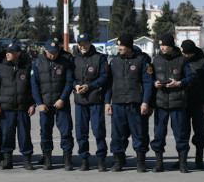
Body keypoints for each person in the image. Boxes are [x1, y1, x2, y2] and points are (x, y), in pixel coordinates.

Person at [104, 34, 153, 172]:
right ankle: (118, 161)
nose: (119, 48)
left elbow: (148, 83)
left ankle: (140, 162)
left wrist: (145, 102)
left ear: (129, 46)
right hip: (118, 103)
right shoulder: (114, 62)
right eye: (118, 45)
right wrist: (107, 102)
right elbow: (109, 84)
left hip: (135, 103)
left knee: (140, 133)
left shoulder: (142, 60)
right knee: (117, 134)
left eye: (122, 45)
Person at [150, 34, 197, 173]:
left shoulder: (183, 60)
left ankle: (183, 163)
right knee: (158, 134)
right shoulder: (156, 60)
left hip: (178, 103)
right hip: (161, 103)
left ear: (171, 45)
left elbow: (193, 77)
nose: (162, 47)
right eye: (160, 45)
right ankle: (159, 163)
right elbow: (149, 77)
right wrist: (155, 83)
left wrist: (179, 83)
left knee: (181, 134)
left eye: (164, 45)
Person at [31, 39, 74, 170]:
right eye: (50, 52)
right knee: (45, 132)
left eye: (55, 52)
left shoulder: (65, 62)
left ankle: (67, 158)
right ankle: (47, 158)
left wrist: (62, 99)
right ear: (45, 50)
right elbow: (34, 85)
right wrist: (39, 103)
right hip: (45, 105)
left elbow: (69, 82)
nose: (53, 54)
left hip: (61, 103)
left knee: (66, 131)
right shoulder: (37, 63)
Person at [0, 43, 36, 170]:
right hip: (7, 108)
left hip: (23, 108)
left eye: (10, 52)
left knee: (24, 135)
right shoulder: (1, 68)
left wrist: (32, 104)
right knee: (7, 135)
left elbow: (32, 87)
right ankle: (7, 160)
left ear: (18, 53)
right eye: (7, 52)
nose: (7, 54)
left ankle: (27, 160)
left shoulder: (27, 67)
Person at [72, 33, 110, 171]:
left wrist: (89, 86)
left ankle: (101, 159)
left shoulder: (100, 58)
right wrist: (75, 85)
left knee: (98, 131)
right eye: (80, 44)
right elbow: (70, 77)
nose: (82, 46)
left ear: (90, 43)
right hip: (79, 101)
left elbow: (104, 77)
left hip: (95, 100)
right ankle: (84, 159)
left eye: (85, 44)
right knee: (81, 132)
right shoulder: (74, 59)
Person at [180, 39, 204, 170]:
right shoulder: (180, 60)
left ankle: (199, 160)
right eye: (183, 53)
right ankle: (182, 160)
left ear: (193, 52)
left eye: (186, 53)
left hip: (198, 103)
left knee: (199, 132)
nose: (184, 55)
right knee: (182, 132)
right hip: (182, 103)